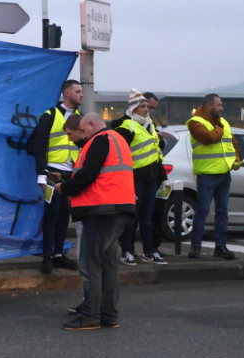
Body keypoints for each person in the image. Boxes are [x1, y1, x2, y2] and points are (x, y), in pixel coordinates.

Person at [55, 113, 135, 330]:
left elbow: (89, 174)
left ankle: (90, 315)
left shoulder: (100, 140)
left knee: (90, 265)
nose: (80, 136)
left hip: (102, 209)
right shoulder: (116, 139)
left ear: (91, 125)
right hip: (119, 207)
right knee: (107, 265)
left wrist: (65, 188)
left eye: (81, 130)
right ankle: (109, 315)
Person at [32, 79, 83, 274]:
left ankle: (59, 255)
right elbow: (38, 145)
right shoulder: (50, 116)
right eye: (78, 91)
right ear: (67, 94)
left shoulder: (80, 117)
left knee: (64, 215)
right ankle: (47, 256)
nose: (81, 94)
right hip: (52, 172)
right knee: (51, 215)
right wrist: (41, 174)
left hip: (72, 173)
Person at [113, 89, 167, 265]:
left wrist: (162, 177)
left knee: (147, 216)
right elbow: (118, 153)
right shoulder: (126, 126)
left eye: (147, 107)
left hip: (152, 177)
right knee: (131, 216)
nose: (147, 110)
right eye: (143, 106)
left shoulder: (149, 124)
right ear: (134, 108)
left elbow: (156, 150)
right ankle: (126, 251)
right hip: (134, 177)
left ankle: (149, 252)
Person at [187, 94, 241, 260]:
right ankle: (195, 247)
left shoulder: (223, 122)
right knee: (202, 211)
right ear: (209, 106)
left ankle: (220, 247)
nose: (222, 108)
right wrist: (218, 127)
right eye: (219, 105)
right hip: (207, 174)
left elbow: (232, 143)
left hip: (224, 173)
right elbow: (209, 138)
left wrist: (236, 160)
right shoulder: (195, 122)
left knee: (222, 212)